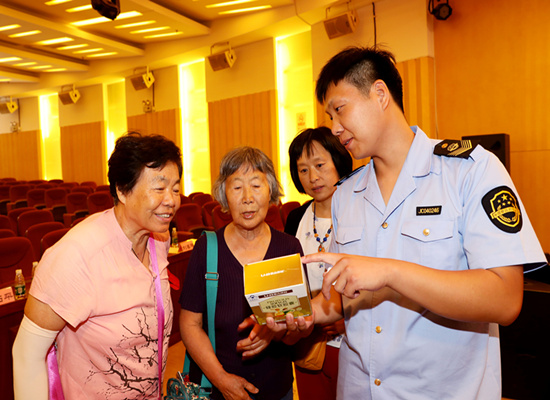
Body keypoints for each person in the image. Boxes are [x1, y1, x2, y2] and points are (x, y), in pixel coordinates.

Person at [277, 46, 548, 399]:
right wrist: (303, 315)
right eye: (329, 116)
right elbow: (344, 297)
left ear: (379, 94)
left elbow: (505, 299)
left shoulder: (469, 171)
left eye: (339, 110)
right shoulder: (346, 194)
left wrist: (391, 272)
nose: (335, 127)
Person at [12, 132, 182, 399]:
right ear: (122, 190)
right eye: (159, 189)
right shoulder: (76, 256)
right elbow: (27, 353)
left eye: (176, 188)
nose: (171, 200)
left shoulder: (157, 239)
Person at [179, 146, 302, 400]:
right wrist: (221, 380)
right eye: (237, 187)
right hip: (217, 390)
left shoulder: (289, 248)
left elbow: (298, 332)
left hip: (277, 390)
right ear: (224, 194)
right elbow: (189, 324)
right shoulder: (206, 248)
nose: (247, 197)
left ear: (270, 190)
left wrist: (278, 331)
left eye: (256, 185)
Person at [284, 127, 352, 400]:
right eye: (303, 170)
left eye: (320, 165)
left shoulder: (362, 212)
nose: (313, 177)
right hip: (309, 345)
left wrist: (349, 320)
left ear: (338, 160)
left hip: (352, 344)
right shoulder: (295, 219)